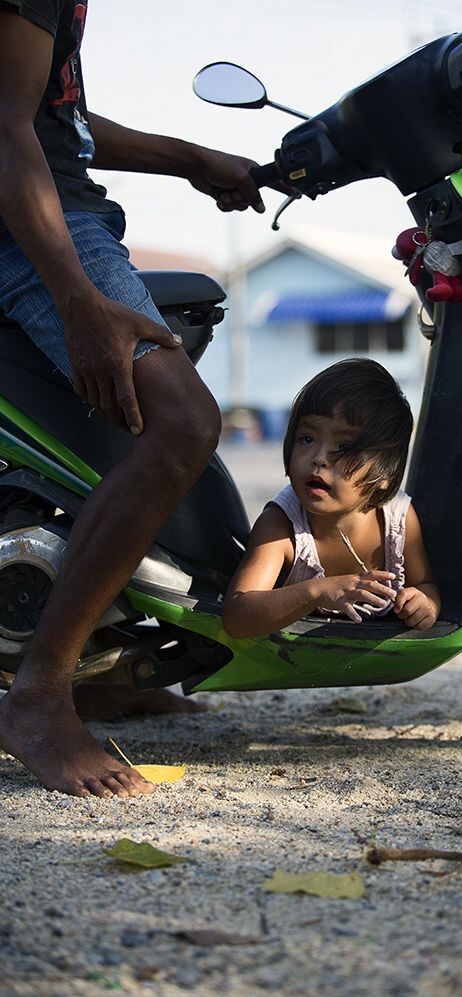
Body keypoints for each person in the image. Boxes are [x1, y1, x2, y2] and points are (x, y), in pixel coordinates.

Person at [0, 0, 266, 798]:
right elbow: (8, 129)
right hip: (34, 226)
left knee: (118, 426)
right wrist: (79, 302)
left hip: (56, 205)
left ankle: (102, 668)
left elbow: (57, 117)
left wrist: (188, 156)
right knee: (183, 424)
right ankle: (40, 696)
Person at [222, 359, 441, 638]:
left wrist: (425, 604)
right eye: (307, 439)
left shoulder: (398, 520)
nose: (319, 458)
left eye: (345, 446)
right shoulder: (282, 526)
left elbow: (425, 583)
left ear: (384, 473)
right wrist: (316, 592)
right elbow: (238, 616)